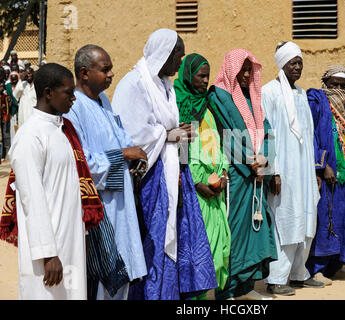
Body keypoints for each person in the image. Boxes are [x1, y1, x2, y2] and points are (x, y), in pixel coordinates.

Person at [112, 28, 217, 300]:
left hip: (171, 174)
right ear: (164, 54)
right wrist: (168, 135)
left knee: (175, 239)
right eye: (178, 57)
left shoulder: (165, 85)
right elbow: (132, 136)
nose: (180, 63)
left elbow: (166, 128)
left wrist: (176, 136)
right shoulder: (134, 84)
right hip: (146, 182)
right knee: (152, 241)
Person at [0, 63, 103, 299]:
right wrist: (48, 253)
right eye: (68, 93)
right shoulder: (30, 137)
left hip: (71, 243)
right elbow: (32, 199)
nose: (73, 100)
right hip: (48, 254)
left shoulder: (64, 131)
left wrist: (82, 237)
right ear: (48, 93)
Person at [65, 44, 147, 300]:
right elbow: (82, 162)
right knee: (102, 276)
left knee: (121, 273)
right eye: (105, 69)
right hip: (100, 208)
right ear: (84, 72)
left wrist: (133, 155)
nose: (112, 74)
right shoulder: (74, 108)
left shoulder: (103, 101)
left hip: (121, 204)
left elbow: (120, 137)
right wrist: (124, 155)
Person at [207, 48, 277, 300]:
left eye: (250, 69)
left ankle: (246, 288)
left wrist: (265, 158)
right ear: (231, 69)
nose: (247, 74)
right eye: (242, 69)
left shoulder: (254, 99)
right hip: (237, 176)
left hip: (256, 176)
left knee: (254, 231)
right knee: (235, 231)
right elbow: (225, 135)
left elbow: (267, 131)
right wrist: (250, 162)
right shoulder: (219, 97)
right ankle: (227, 290)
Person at [261, 42, 321, 295]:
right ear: (281, 64)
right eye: (292, 63)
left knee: (306, 220)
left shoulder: (301, 94)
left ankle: (298, 273)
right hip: (283, 170)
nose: (297, 68)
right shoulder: (270, 91)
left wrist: (314, 170)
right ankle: (276, 278)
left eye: (300, 63)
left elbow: (308, 134)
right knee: (285, 221)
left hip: (303, 170)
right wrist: (273, 171)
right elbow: (266, 133)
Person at [173, 53, 231, 299]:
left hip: (216, 183)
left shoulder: (210, 104)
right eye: (200, 75)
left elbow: (221, 138)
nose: (205, 80)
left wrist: (224, 170)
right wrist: (195, 181)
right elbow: (181, 148)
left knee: (221, 245)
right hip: (195, 188)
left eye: (208, 76)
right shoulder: (179, 103)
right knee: (199, 245)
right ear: (188, 75)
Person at [305, 64, 345, 284]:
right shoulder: (318, 103)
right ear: (326, 84)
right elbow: (309, 134)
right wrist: (322, 165)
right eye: (333, 85)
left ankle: (336, 264)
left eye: (342, 85)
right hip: (328, 171)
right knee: (325, 216)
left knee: (344, 216)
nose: (338, 89)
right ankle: (316, 268)